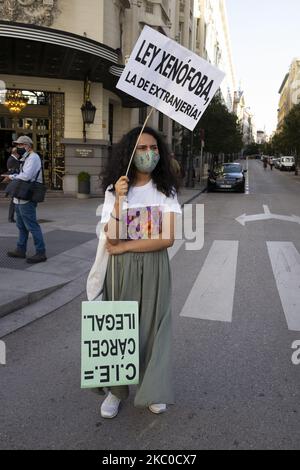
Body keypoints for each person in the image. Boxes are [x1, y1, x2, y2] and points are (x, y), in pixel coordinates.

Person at [98, 126, 181, 419]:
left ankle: (152, 388)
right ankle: (116, 391)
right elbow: (113, 238)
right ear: (130, 153)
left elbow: (166, 238)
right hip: (121, 270)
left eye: (154, 148)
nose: (149, 154)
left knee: (152, 328)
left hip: (154, 266)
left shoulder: (165, 191)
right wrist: (120, 201)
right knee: (120, 327)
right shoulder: (115, 190)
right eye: (143, 149)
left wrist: (126, 248)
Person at [2, 136, 47, 264]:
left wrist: (11, 176)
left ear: (27, 145)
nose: (18, 148)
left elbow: (27, 176)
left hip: (27, 196)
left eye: (20, 145)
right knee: (21, 226)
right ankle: (21, 249)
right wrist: (13, 176)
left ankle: (41, 252)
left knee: (32, 226)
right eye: (17, 145)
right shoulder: (26, 157)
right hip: (20, 197)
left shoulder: (33, 158)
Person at [6, 147, 21, 223]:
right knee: (14, 201)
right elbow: (13, 172)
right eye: (19, 153)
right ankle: (10, 217)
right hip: (14, 182)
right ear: (15, 153)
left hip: (15, 182)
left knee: (15, 200)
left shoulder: (14, 159)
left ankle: (13, 217)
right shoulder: (11, 159)